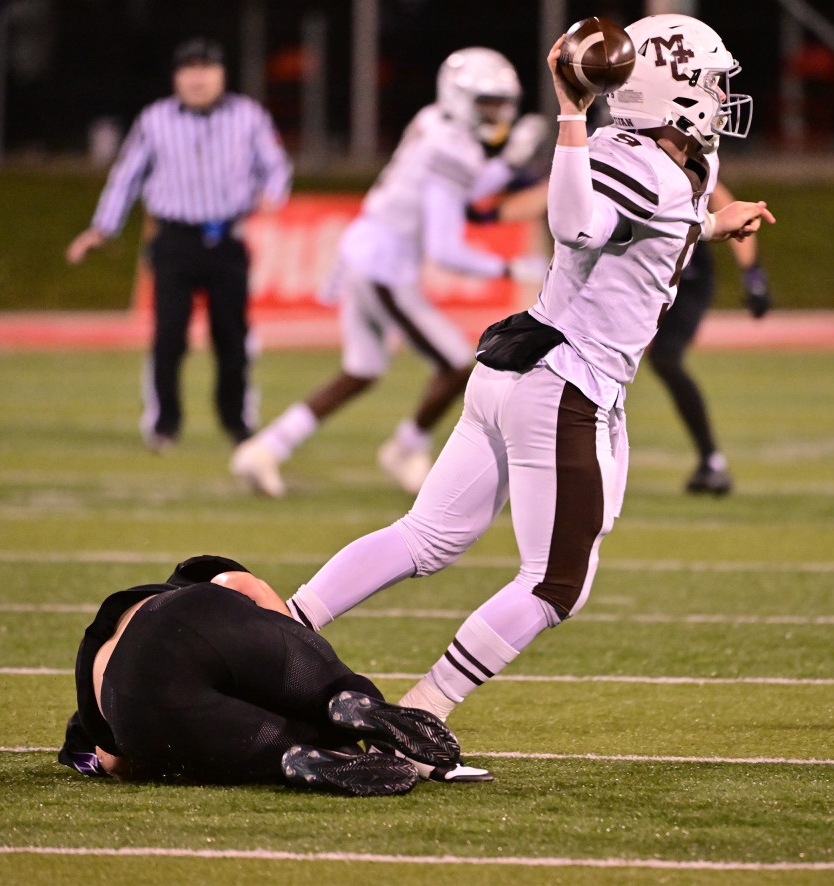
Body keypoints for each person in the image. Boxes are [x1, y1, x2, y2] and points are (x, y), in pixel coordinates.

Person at [278, 14, 774, 778]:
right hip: (565, 387)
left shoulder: (681, 167)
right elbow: (580, 228)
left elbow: (647, 228)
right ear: (669, 94)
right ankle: (424, 712)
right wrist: (573, 114)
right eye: (710, 82)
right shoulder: (623, 154)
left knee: (426, 538)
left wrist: (709, 225)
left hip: (520, 370)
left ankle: (283, 625)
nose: (721, 95)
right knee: (556, 583)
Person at [230, 48, 545, 498]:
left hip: (365, 251)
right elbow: (446, 250)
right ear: (461, 98)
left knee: (362, 369)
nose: (496, 114)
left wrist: (506, 166)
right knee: (459, 364)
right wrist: (511, 267)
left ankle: (264, 449)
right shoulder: (450, 144)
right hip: (384, 268)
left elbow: (462, 186)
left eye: (500, 103)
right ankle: (406, 447)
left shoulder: (434, 122)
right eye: (487, 103)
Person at [57, 554, 488, 795]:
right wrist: (309, 670)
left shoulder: (88, 706)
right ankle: (347, 698)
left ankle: (296, 756)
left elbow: (114, 761)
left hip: (131, 702)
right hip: (186, 617)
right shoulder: (187, 583)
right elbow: (246, 587)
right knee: (325, 692)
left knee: (277, 748)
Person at [67, 37, 292, 453]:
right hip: (174, 239)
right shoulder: (155, 120)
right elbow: (127, 176)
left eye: (206, 68)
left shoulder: (248, 117)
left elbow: (275, 166)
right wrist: (102, 228)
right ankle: (163, 424)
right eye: (189, 69)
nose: (198, 77)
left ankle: (238, 422)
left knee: (233, 338)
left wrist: (272, 193)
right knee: (169, 336)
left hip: (227, 238)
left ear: (222, 74)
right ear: (176, 77)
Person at [650, 180, 772, 496]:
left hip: (686, 279)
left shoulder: (684, 154)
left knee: (664, 357)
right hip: (634, 273)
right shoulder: (614, 148)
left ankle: (711, 459)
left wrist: (753, 274)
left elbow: (726, 205)